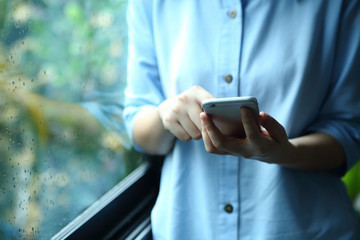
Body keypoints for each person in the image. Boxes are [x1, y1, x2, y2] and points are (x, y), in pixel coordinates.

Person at [123, 0, 360, 239]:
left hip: (303, 229)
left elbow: (348, 132)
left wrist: (284, 152)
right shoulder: (150, 4)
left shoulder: (338, 5)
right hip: (188, 228)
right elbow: (138, 123)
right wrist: (166, 113)